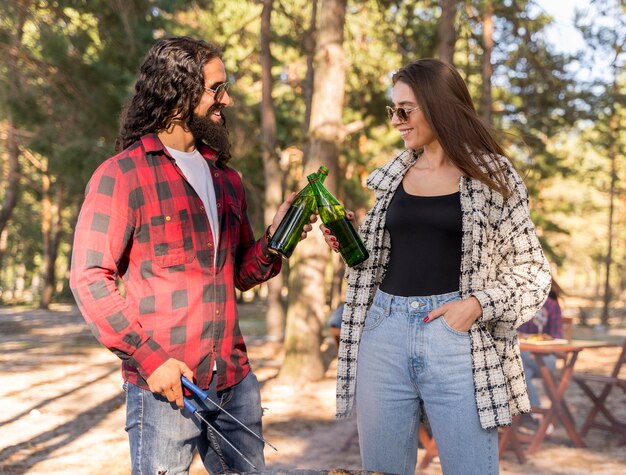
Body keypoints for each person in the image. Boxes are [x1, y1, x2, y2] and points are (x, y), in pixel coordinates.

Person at [70, 37, 315, 474]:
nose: (228, 99)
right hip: (166, 387)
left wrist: (277, 239)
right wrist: (151, 360)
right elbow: (90, 278)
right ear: (178, 91)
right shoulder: (122, 175)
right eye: (216, 88)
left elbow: (239, 271)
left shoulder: (226, 178)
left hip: (234, 382)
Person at [320, 59, 551, 475]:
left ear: (438, 105)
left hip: (456, 338)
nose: (396, 122)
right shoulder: (391, 177)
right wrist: (351, 245)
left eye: (405, 110)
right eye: (392, 111)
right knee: (381, 471)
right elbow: (385, 263)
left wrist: (475, 305)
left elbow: (532, 272)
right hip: (383, 334)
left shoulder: (494, 176)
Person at [518, 279, 564, 410]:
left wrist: (540, 347)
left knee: (515, 363)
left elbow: (557, 338)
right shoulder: (521, 304)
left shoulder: (551, 305)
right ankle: (534, 411)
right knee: (520, 368)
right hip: (524, 357)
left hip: (545, 359)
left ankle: (531, 412)